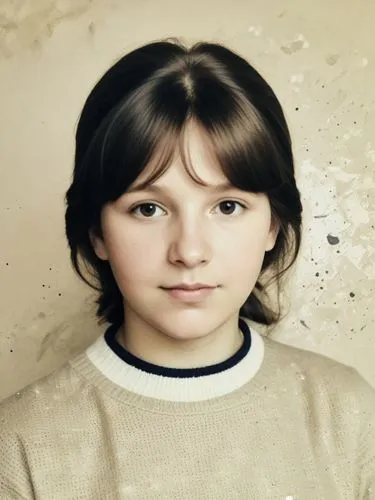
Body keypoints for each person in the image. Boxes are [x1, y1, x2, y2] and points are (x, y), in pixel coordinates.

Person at [0, 38, 374, 499]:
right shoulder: (18, 448)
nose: (189, 251)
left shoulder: (351, 415)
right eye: (148, 209)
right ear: (96, 230)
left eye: (229, 206)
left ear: (273, 225)